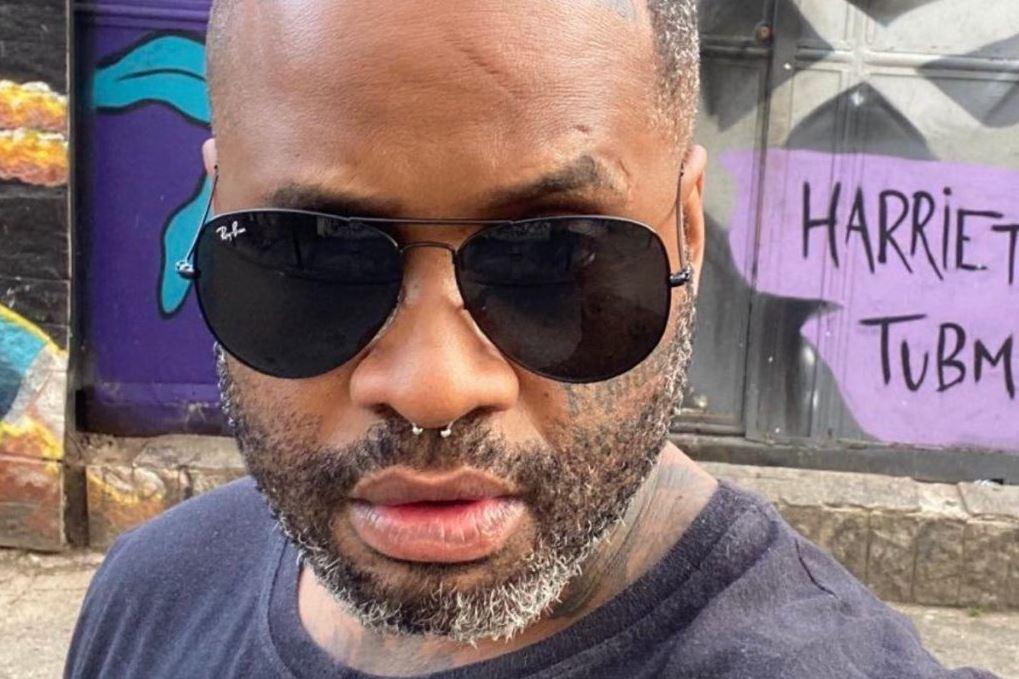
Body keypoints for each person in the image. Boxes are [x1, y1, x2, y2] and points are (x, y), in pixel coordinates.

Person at [66, 1, 997, 677]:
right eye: (312, 251)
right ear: (213, 211)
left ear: (687, 231)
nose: (433, 386)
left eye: (556, 254)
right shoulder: (150, 596)